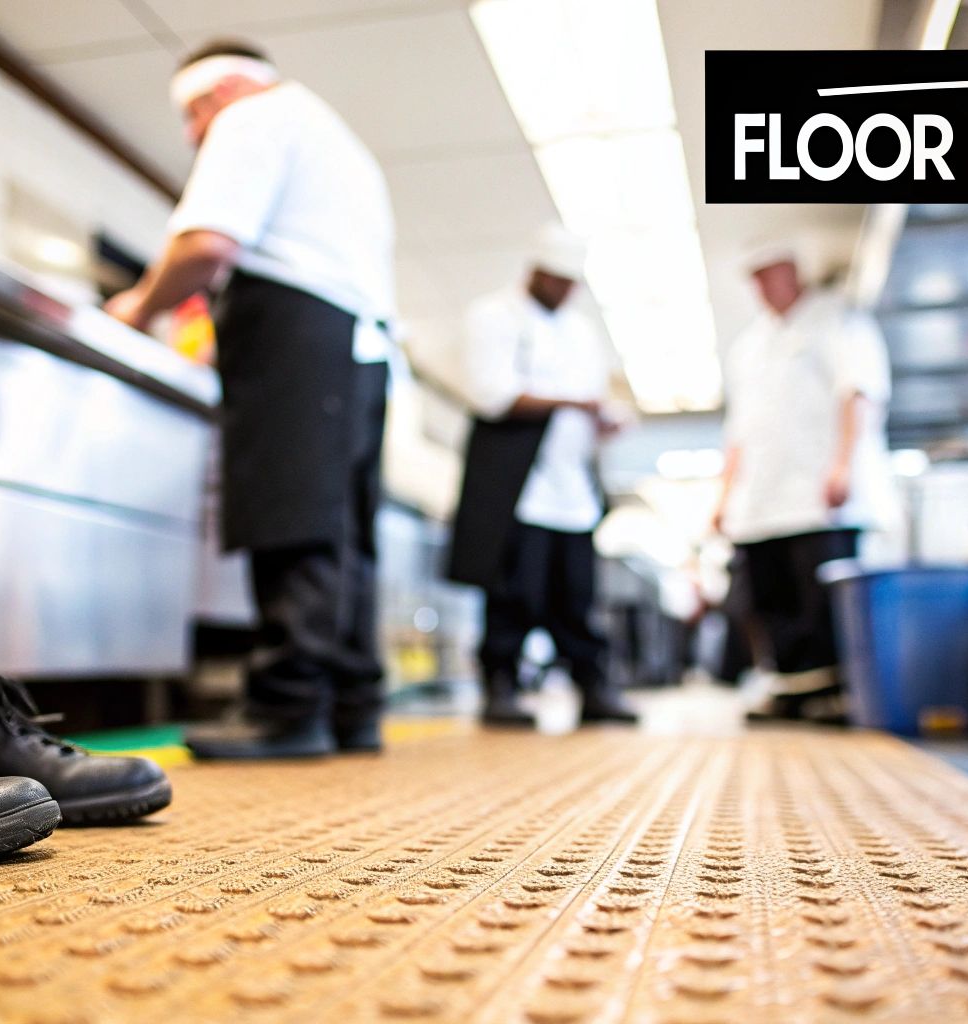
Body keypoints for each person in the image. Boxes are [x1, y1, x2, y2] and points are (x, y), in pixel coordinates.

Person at [105, 40, 394, 759]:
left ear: (222, 91)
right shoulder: (336, 139)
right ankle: (350, 706)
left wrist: (140, 305)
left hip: (298, 331)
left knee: (292, 514)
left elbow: (206, 244)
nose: (191, 136)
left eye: (192, 116)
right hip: (359, 345)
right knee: (342, 531)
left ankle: (286, 707)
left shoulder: (254, 115)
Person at [445, 226, 637, 728]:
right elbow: (492, 394)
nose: (565, 291)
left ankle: (592, 686)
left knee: (576, 596)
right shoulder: (493, 315)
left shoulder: (582, 333)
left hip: (572, 489)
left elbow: (596, 396)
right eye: (558, 280)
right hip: (517, 484)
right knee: (514, 593)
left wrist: (603, 419)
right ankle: (501, 685)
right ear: (536, 272)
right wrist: (575, 402)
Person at [710, 244, 893, 722]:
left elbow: (857, 393)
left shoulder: (838, 320)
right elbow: (738, 432)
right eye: (755, 278)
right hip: (760, 499)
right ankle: (789, 688)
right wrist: (723, 497)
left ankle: (833, 692)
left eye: (769, 274)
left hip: (818, 494)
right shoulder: (749, 346)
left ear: (793, 272)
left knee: (821, 601)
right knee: (769, 598)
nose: (761, 287)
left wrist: (843, 465)